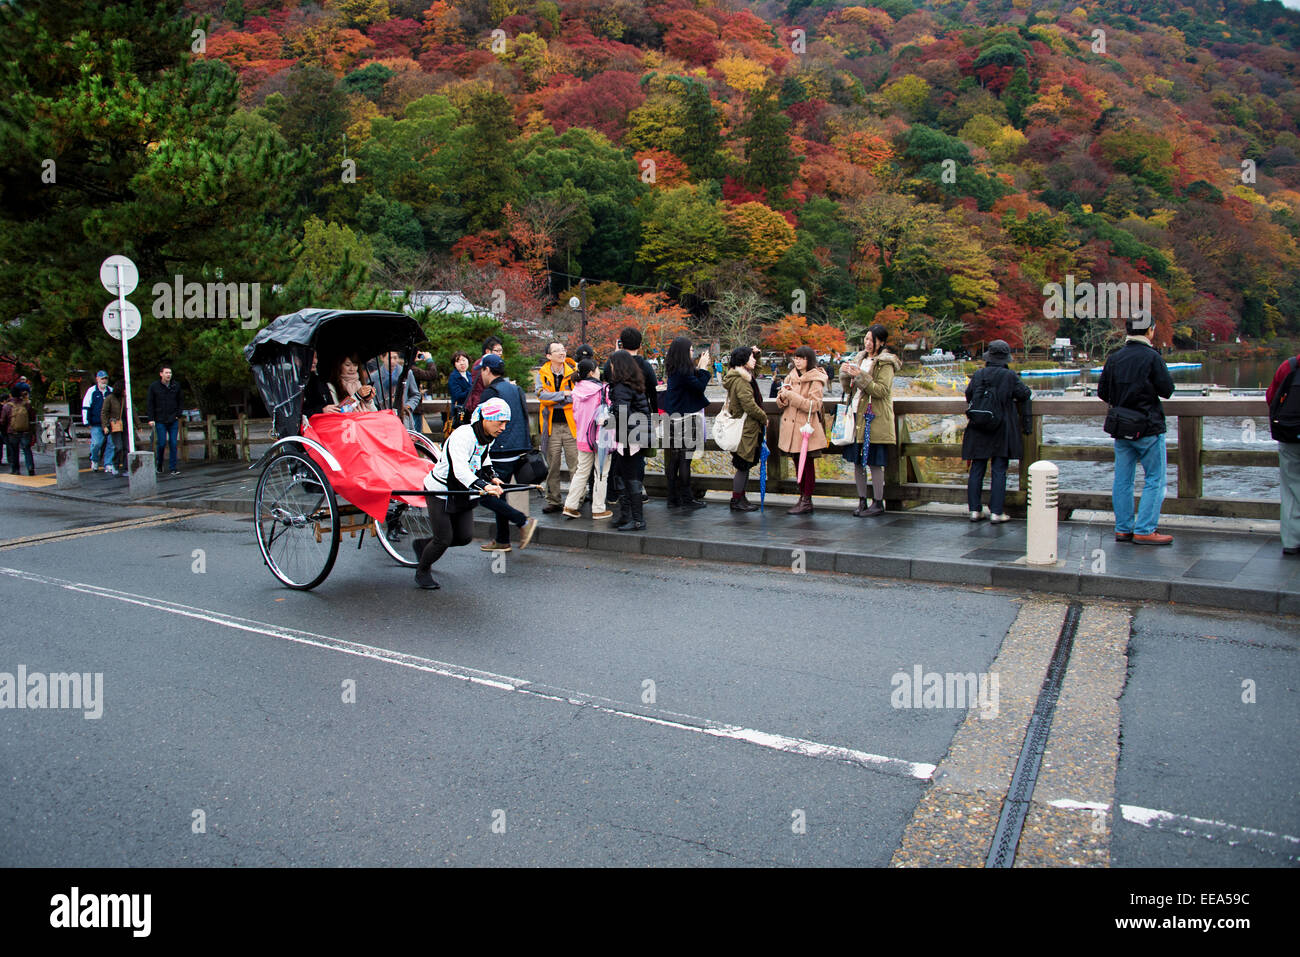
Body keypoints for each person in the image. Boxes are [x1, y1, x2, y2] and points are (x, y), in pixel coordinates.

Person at [412, 398, 532, 589]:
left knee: (463, 537)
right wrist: (483, 486)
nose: (503, 427)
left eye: (506, 423)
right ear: (486, 418)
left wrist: (492, 476)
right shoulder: (463, 435)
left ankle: (423, 545)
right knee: (443, 538)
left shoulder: (487, 436)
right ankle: (422, 571)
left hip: (462, 489)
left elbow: (483, 458)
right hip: (441, 489)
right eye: (500, 422)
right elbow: (460, 469)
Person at [1097, 315, 1175, 545]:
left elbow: (1103, 392)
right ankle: (1145, 529)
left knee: (1122, 479)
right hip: (1148, 426)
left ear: (1127, 331)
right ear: (1150, 330)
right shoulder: (1152, 357)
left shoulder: (1115, 358)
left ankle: (1123, 528)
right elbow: (1167, 390)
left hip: (1121, 426)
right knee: (1155, 479)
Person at [962, 340, 1032, 523]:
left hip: (978, 425)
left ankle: (975, 511)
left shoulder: (979, 374)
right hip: (1001, 427)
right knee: (999, 469)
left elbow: (969, 394)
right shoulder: (1009, 376)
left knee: (977, 467)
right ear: (1005, 358)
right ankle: (996, 512)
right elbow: (1024, 394)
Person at [476, 353, 538, 552]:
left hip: (498, 451)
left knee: (484, 495)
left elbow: (484, 425)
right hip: (517, 449)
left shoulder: (491, 392)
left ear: (487, 370)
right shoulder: (515, 388)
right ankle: (502, 540)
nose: (481, 375)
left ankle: (523, 521)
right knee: (498, 495)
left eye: (482, 371)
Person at [839, 324, 901, 517]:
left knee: (874, 461)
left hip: (874, 418)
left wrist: (861, 376)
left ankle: (878, 502)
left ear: (881, 342)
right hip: (856, 414)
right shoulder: (859, 359)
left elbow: (881, 390)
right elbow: (849, 390)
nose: (867, 343)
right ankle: (861, 500)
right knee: (857, 462)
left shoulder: (885, 363)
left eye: (871, 339)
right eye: (865, 339)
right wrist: (845, 374)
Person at [776, 346, 828, 515]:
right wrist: (783, 396)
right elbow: (780, 403)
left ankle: (807, 499)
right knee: (798, 463)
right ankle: (802, 497)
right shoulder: (791, 376)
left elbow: (814, 405)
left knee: (807, 465)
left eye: (801, 358)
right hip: (791, 428)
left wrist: (791, 396)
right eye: (796, 358)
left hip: (806, 429)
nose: (797, 361)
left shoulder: (816, 379)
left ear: (809, 360)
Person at [662, 337, 711, 510]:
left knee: (675, 459)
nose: (693, 352)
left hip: (672, 418)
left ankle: (672, 498)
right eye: (690, 350)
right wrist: (704, 367)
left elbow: (691, 380)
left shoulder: (674, 368)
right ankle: (686, 498)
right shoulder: (683, 371)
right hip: (685, 419)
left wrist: (698, 367)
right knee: (685, 459)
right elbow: (699, 387)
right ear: (684, 352)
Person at [563, 359, 614, 520]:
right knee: (601, 473)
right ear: (592, 372)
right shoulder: (602, 389)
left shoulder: (576, 390)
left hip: (583, 437)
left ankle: (570, 505)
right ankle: (598, 509)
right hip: (601, 437)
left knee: (581, 471)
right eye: (597, 369)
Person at [606, 350, 651, 531]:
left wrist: (606, 420)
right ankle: (626, 515)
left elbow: (622, 412)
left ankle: (637, 519)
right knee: (620, 474)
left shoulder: (621, 387)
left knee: (629, 477)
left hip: (629, 436)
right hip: (636, 433)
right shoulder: (634, 383)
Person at [723, 346, 768, 512]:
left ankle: (741, 497)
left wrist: (756, 354)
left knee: (745, 464)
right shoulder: (742, 381)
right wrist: (764, 417)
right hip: (746, 429)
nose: (754, 360)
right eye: (751, 357)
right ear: (743, 361)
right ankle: (736, 500)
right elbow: (749, 405)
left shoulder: (739, 376)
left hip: (745, 428)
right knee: (743, 465)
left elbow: (756, 370)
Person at [536, 342, 579, 514]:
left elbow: (575, 396)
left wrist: (555, 398)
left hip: (571, 425)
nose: (562, 353)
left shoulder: (573, 371)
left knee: (574, 464)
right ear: (549, 356)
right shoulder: (542, 373)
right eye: (557, 351)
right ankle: (553, 500)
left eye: (563, 350)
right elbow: (541, 396)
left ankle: (576, 499)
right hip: (550, 426)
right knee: (552, 465)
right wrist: (562, 395)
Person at [1265, 351, 1300, 556]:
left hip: (1291, 433)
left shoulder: (1290, 366)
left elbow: (1272, 397)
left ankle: (1291, 541)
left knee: (1290, 488)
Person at [146, 364, 183, 475]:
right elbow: (150, 403)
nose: (168, 375)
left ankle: (173, 467)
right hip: (160, 419)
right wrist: (151, 418)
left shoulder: (176, 386)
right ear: (161, 374)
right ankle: (159, 463)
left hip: (173, 419)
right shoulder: (154, 387)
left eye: (170, 373)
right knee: (161, 443)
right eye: (166, 373)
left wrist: (178, 414)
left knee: (173, 443)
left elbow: (180, 400)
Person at [81, 371, 113, 472]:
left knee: (111, 444)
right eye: (102, 378)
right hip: (96, 423)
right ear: (97, 379)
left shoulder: (110, 391)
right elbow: (86, 406)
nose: (104, 380)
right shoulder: (91, 391)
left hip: (110, 423)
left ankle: (108, 463)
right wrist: (86, 421)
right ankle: (94, 460)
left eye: (105, 378)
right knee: (96, 444)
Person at [2, 382, 36, 475]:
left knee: (14, 450)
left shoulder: (7, 406)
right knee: (27, 449)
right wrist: (32, 430)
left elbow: (3, 420)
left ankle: (15, 469)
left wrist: (4, 430)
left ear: (11, 394)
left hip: (13, 431)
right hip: (26, 431)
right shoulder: (27, 404)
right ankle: (30, 467)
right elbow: (32, 417)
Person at [464, 336, 504, 414]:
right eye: (497, 351)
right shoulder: (482, 364)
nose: (500, 353)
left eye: (501, 351)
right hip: (481, 404)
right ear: (487, 351)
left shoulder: (490, 363)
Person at [102, 378, 127, 476]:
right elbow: (104, 412)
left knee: (126, 447)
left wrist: (138, 425)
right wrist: (105, 425)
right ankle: (115, 465)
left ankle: (126, 468)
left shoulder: (126, 398)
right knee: (118, 446)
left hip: (125, 424)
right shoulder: (110, 398)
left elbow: (132, 410)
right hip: (115, 424)